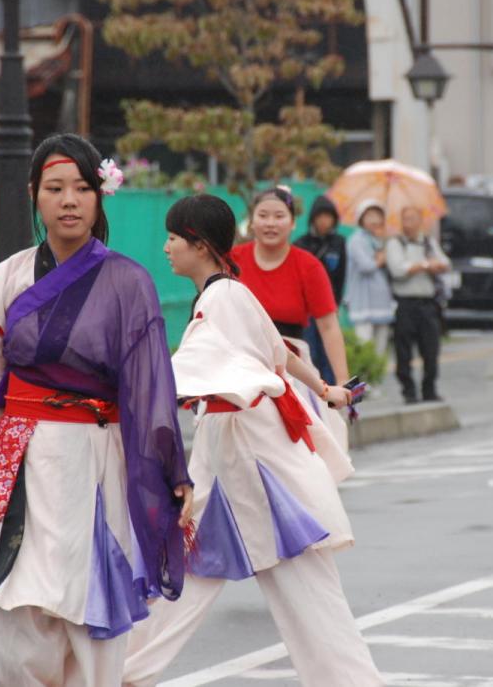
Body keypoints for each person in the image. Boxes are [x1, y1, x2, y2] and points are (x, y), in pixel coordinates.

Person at [0, 134, 192, 687]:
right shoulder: (4, 279)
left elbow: (150, 381)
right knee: (3, 592)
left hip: (95, 450)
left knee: (90, 591)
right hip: (18, 446)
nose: (70, 200)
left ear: (101, 196)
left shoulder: (128, 281)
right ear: (34, 195)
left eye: (82, 187)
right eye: (55, 188)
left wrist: (168, 465)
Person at [122, 194, 383, 686]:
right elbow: (278, 352)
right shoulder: (230, 293)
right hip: (231, 449)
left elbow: (200, 368)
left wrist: (126, 389)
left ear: (199, 246)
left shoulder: (223, 298)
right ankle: (127, 672)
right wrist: (326, 390)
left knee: (300, 585)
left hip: (253, 455)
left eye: (174, 238)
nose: (166, 248)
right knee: (189, 563)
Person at [230, 187, 351, 449]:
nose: (270, 223)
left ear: (293, 222)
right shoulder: (233, 261)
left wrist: (342, 380)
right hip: (241, 363)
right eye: (263, 215)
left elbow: (328, 325)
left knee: (299, 449)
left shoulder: (308, 265)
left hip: (293, 366)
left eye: (279, 216)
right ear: (252, 221)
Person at [386, 206, 450, 404]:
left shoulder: (428, 242)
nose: (409, 224)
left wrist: (426, 265)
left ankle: (429, 388)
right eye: (405, 219)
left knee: (431, 349)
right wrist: (424, 265)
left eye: (413, 219)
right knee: (404, 350)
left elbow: (445, 264)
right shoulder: (395, 243)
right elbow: (398, 269)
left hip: (428, 303)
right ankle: (408, 390)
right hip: (405, 303)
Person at [293, 195, 346, 384]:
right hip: (307, 311)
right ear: (313, 218)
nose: (325, 221)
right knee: (311, 351)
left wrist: (336, 304)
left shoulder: (339, 243)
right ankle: (313, 392)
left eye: (329, 216)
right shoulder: (301, 244)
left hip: (329, 307)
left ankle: (332, 393)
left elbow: (340, 276)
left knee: (329, 351)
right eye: (321, 216)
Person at [344, 201, 395, 353]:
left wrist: (384, 247)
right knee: (364, 346)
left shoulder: (383, 240)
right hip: (363, 302)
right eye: (370, 216)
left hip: (382, 301)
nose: (374, 220)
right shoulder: (356, 240)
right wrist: (380, 259)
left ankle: (376, 377)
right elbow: (366, 266)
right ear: (361, 219)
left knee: (380, 349)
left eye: (378, 216)